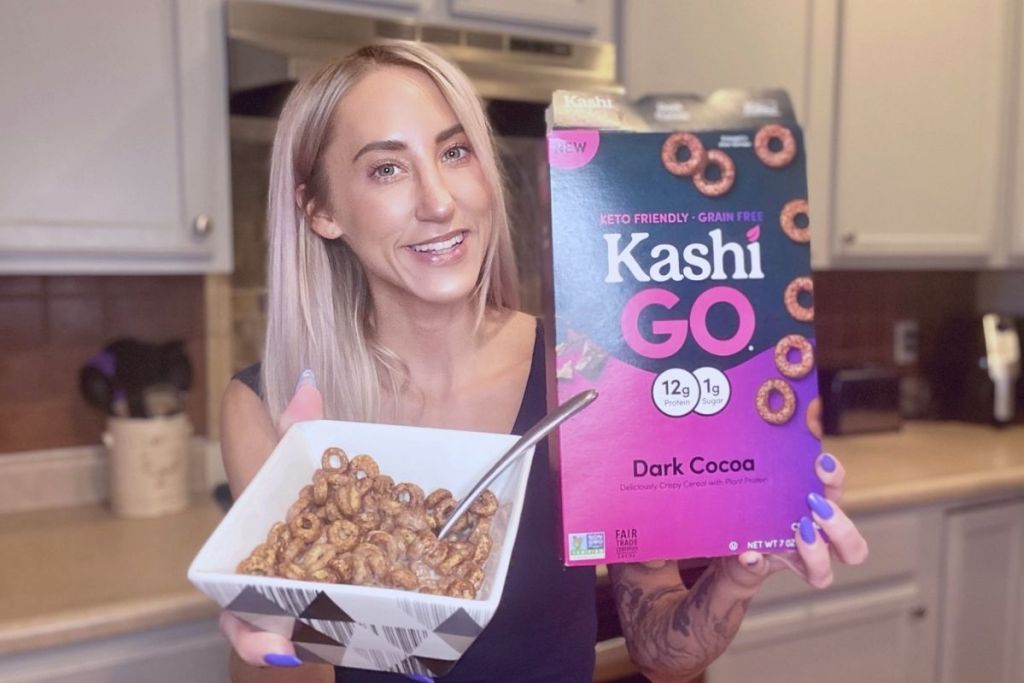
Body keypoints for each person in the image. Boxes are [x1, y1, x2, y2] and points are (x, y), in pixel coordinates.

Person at [218, 41, 869, 683]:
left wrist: (737, 574)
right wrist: (285, 608)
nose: (439, 200)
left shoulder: (583, 374)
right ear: (320, 208)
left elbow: (660, 648)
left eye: (455, 151)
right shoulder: (271, 409)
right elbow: (282, 663)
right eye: (387, 168)